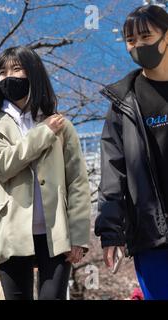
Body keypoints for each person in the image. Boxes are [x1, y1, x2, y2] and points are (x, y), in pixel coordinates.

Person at [0, 46, 91, 300]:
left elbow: (78, 181)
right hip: (12, 231)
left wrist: (79, 235)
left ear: (33, 73)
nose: (8, 76)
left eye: (17, 69)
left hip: (56, 233)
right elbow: (2, 165)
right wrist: (43, 134)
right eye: (2, 72)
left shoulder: (61, 125)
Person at [95, 5, 168, 300]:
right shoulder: (123, 102)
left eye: (145, 36)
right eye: (130, 40)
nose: (137, 45)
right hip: (151, 233)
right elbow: (113, 170)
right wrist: (110, 231)